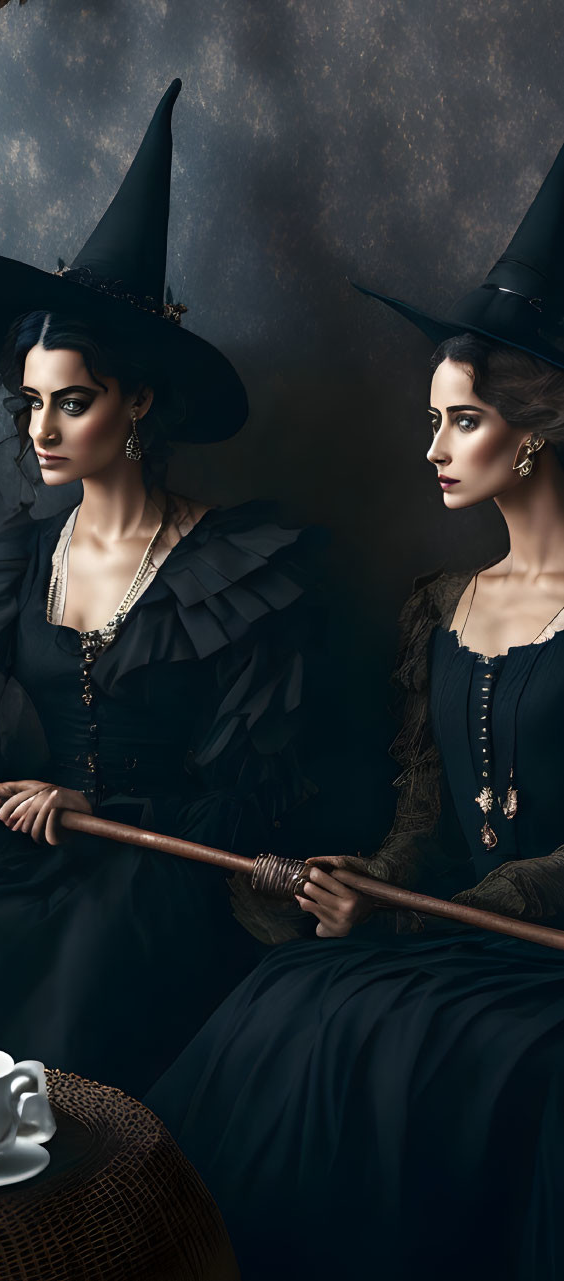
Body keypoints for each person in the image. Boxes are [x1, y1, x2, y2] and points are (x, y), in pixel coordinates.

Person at [0, 82, 324, 1095]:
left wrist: (97, 807)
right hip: (43, 864)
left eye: (74, 401)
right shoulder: (28, 557)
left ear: (137, 401)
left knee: (88, 947)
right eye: (29, 403)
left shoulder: (233, 567)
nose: (42, 430)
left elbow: (263, 798)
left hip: (165, 867)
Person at [148, 136, 564, 1281]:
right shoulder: (444, 604)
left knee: (447, 1044)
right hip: (455, 938)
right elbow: (426, 814)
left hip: (544, 952)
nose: (431, 447)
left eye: (462, 421)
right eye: (434, 419)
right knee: (293, 1001)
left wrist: (423, 914)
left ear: (539, 427)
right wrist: (367, 882)